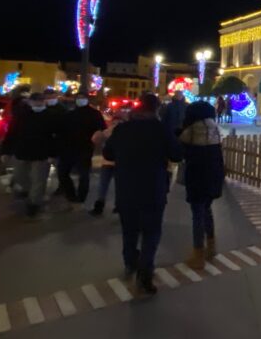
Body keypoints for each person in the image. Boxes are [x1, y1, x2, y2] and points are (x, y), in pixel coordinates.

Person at [103, 93, 170, 294]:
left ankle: (130, 263)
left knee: (129, 230)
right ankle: (145, 273)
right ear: (156, 109)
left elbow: (108, 153)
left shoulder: (123, 129)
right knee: (151, 233)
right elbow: (176, 153)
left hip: (127, 188)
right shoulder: (160, 129)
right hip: (153, 189)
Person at [179, 100, 226, 270]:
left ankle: (198, 254)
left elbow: (180, 152)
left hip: (197, 175)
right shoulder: (215, 129)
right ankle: (212, 247)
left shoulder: (190, 131)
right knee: (207, 210)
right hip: (213, 176)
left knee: (197, 214)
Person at [1, 92, 58, 217]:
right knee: (19, 176)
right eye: (35, 101)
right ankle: (27, 192)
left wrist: (53, 154)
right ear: (30, 102)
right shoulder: (22, 116)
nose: (38, 103)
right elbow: (12, 134)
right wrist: (6, 151)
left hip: (42, 154)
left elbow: (56, 137)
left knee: (39, 180)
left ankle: (34, 204)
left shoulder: (51, 116)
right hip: (22, 152)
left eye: (40, 101)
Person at [57, 95, 106, 204]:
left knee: (83, 174)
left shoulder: (94, 114)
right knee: (63, 173)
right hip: (68, 148)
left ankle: (80, 197)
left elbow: (102, 129)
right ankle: (71, 195)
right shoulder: (69, 114)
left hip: (84, 148)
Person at [90, 107, 126, 216]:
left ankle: (118, 205)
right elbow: (96, 140)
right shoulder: (107, 132)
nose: (116, 123)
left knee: (119, 185)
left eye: (119, 121)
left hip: (119, 163)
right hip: (107, 162)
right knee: (103, 184)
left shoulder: (126, 133)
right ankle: (100, 204)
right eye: (114, 121)